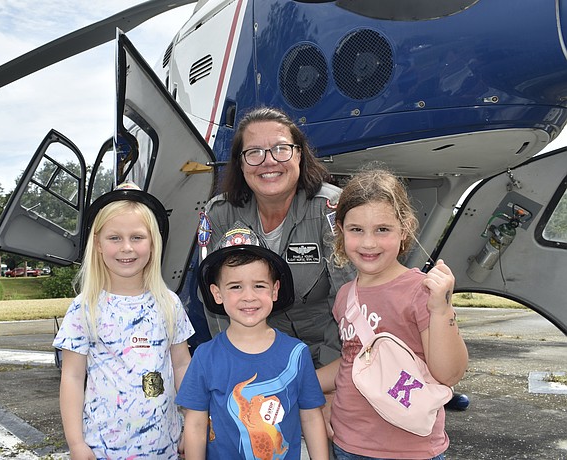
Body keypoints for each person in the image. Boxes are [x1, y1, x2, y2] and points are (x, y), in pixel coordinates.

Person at [318, 166, 468, 459]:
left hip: (409, 450)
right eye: (356, 230)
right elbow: (354, 360)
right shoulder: (346, 296)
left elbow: (449, 373)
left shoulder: (420, 291)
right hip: (347, 444)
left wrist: (441, 310)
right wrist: (300, 382)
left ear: (405, 229)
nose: (368, 242)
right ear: (340, 231)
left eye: (382, 229)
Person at [198, 106, 354, 369]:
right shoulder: (220, 215)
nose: (269, 161)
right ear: (240, 163)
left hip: (328, 358)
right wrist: (240, 364)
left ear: (299, 155)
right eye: (254, 152)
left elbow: (348, 300)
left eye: (281, 149)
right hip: (255, 357)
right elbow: (215, 305)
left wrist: (326, 377)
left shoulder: (331, 209)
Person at [53, 182, 194, 460]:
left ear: (153, 244)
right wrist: (76, 444)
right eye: (114, 238)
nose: (126, 248)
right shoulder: (85, 307)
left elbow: (181, 365)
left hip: (164, 448)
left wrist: (192, 425)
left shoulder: (169, 303)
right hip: (103, 449)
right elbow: (71, 376)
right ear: (97, 244)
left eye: (137, 237)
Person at [178, 223, 329, 459]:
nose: (249, 297)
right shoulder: (205, 356)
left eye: (259, 286)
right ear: (217, 294)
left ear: (275, 290)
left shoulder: (296, 354)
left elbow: (311, 417)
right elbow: (196, 424)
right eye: (236, 287)